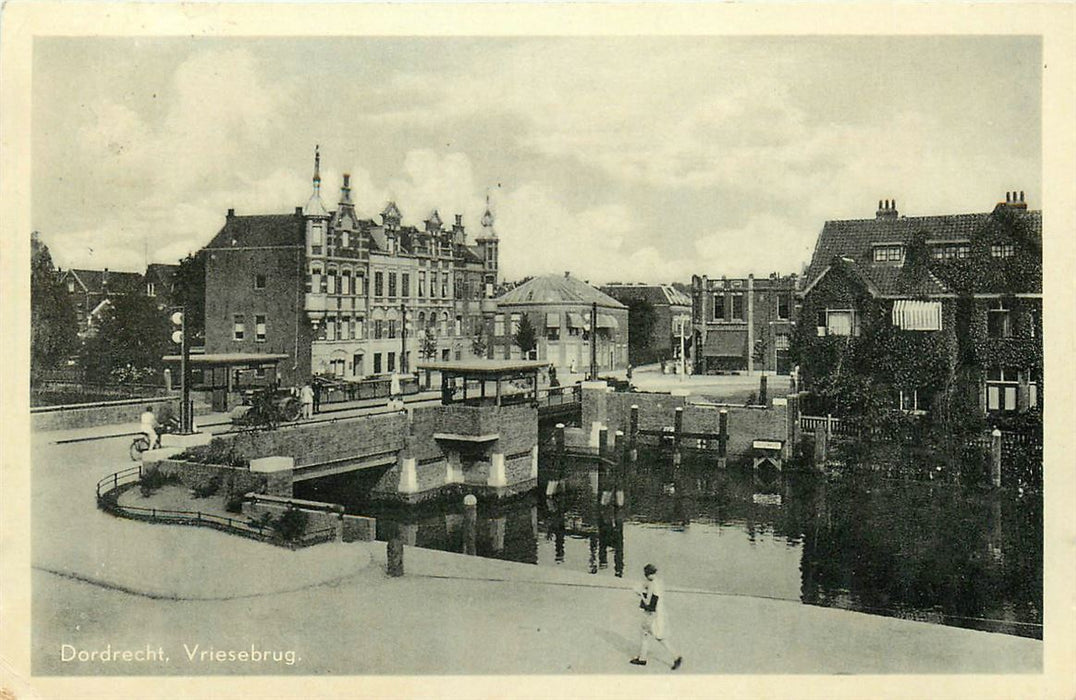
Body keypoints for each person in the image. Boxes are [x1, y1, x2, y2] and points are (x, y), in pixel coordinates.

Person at [631, 563, 682, 670]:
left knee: (647, 634)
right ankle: (675, 656)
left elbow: (648, 602)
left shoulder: (650, 584)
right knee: (656, 636)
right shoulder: (659, 582)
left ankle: (643, 659)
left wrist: (640, 593)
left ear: (647, 574)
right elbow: (655, 594)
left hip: (651, 614)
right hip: (660, 613)